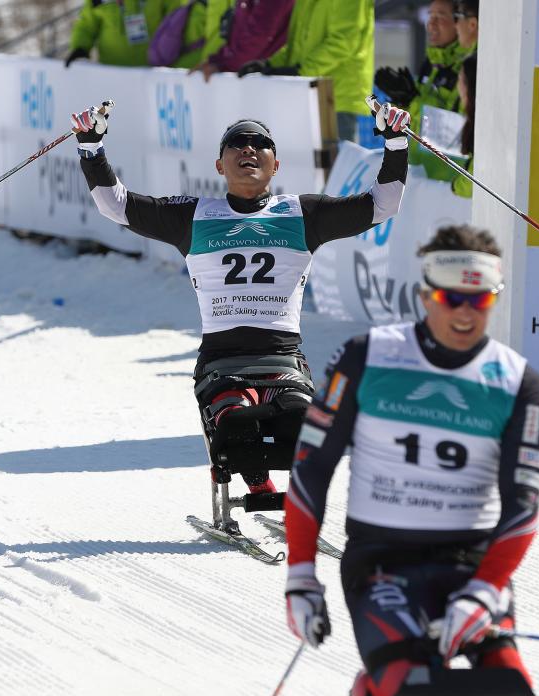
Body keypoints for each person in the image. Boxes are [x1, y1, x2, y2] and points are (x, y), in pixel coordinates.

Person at [280, 224, 539, 696]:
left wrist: (484, 591)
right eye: (453, 298)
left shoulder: (520, 382)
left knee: (510, 687)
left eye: (481, 300)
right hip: (382, 561)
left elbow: (524, 509)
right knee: (408, 685)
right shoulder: (368, 357)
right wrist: (301, 576)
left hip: (469, 565)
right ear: (427, 293)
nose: (466, 313)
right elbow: (311, 470)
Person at [70, 99, 411, 496]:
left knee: (304, 432)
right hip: (222, 362)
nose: (248, 148)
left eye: (260, 143)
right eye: (236, 143)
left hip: (282, 359)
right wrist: (91, 149)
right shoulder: (194, 215)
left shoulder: (302, 213)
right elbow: (116, 205)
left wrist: (396, 144)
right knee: (235, 427)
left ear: (276, 164)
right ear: (219, 165)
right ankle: (255, 477)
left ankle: (275, 468)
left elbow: (383, 205)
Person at [235, 0, 376, 143]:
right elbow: (297, 46)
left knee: (337, 161)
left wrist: (301, 71)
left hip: (337, 95)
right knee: (309, 161)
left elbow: (344, 42)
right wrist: (268, 64)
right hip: (310, 92)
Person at [189, 0, 294, 82]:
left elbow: (258, 35)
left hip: (264, 83)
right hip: (248, 79)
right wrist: (217, 60)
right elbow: (239, 34)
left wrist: (223, 64)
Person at [65, 0, 183, 68]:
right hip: (111, 73)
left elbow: (178, 21)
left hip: (152, 74)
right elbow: (86, 25)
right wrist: (80, 48)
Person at [451, 53, 476, 198]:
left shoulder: (482, 123)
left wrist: (455, 186)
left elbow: (473, 185)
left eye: (460, 79)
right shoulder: (471, 117)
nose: (457, 85)